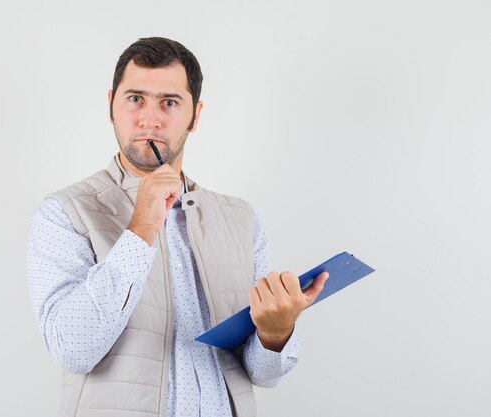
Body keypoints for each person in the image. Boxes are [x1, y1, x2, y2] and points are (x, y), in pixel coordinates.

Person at [26, 37, 328, 417]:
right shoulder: (65, 212)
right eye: (135, 99)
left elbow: (265, 375)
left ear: (195, 116)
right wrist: (141, 226)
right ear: (111, 106)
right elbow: (73, 349)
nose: (149, 119)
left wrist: (276, 332)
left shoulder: (241, 218)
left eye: (169, 103)